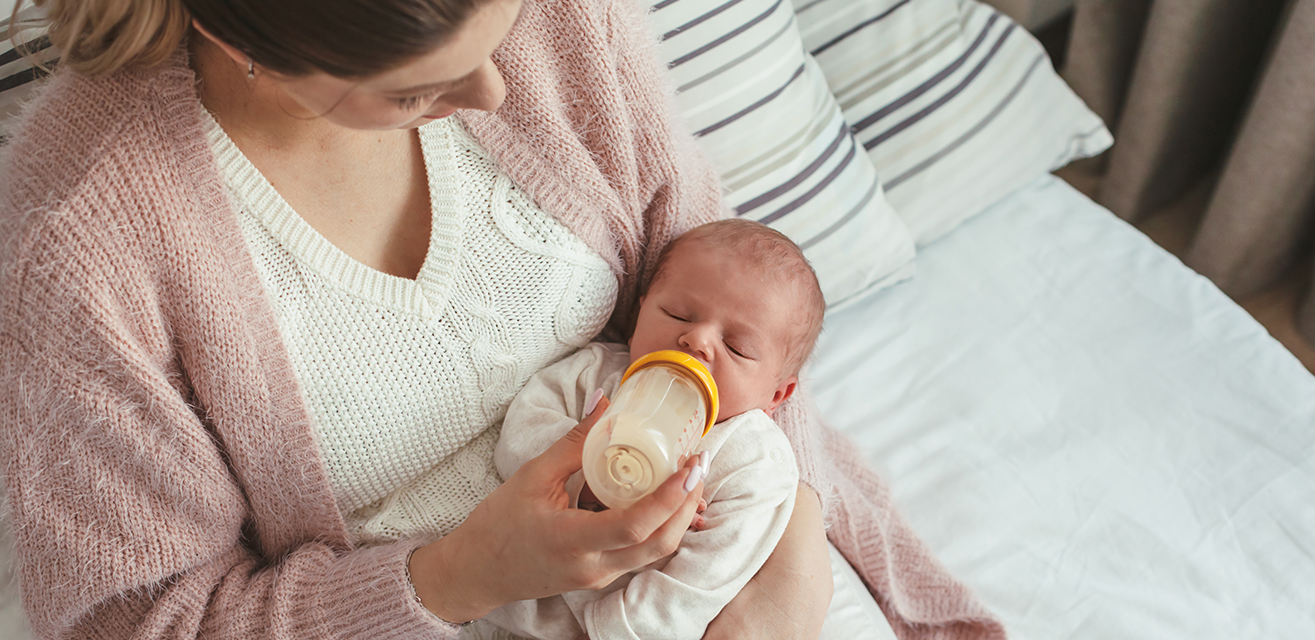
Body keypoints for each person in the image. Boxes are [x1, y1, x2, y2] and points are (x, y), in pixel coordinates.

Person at [0, 0, 1007, 636]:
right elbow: (147, 622)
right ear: (235, 34)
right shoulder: (84, 242)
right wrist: (456, 577)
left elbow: (740, 324)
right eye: (415, 91)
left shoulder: (558, 20)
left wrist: (848, 576)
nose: (494, 90)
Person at [481, 219, 825, 640]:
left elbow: (701, 582)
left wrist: (624, 631)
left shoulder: (752, 460)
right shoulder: (595, 372)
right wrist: (585, 475)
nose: (698, 340)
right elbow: (519, 432)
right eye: (677, 313)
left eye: (737, 347)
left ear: (777, 394)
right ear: (641, 309)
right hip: (506, 598)